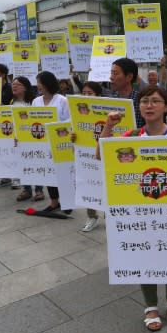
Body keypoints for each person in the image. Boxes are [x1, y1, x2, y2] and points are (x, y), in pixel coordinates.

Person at [97, 86, 167, 331]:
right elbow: (101, 155)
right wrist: (108, 126)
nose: (149, 105)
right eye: (145, 101)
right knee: (145, 253)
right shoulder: (132, 136)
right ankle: (150, 305)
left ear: (166, 107)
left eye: (155, 101)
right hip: (141, 209)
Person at [33, 71, 71, 212]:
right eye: (37, 83)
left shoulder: (62, 100)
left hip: (60, 142)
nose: (38, 86)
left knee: (63, 173)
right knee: (49, 173)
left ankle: (68, 202)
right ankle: (54, 202)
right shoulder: (36, 101)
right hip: (43, 143)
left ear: (48, 83)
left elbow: (69, 120)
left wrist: (53, 126)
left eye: (40, 83)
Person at [78, 80, 105, 231]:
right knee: (89, 183)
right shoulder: (79, 111)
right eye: (84, 93)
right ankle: (91, 216)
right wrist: (74, 137)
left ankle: (110, 213)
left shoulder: (108, 109)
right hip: (87, 154)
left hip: (104, 153)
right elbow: (75, 129)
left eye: (90, 93)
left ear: (98, 95)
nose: (86, 96)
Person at [9, 76, 42, 200]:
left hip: (33, 137)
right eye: (13, 84)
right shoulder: (12, 102)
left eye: (18, 84)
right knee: (22, 163)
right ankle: (26, 189)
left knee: (36, 162)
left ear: (26, 87)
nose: (14, 86)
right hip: (17, 138)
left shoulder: (34, 102)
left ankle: (39, 190)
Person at [107, 57, 144, 127]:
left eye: (115, 73)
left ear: (129, 77)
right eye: (111, 73)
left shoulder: (141, 101)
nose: (111, 77)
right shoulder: (109, 99)